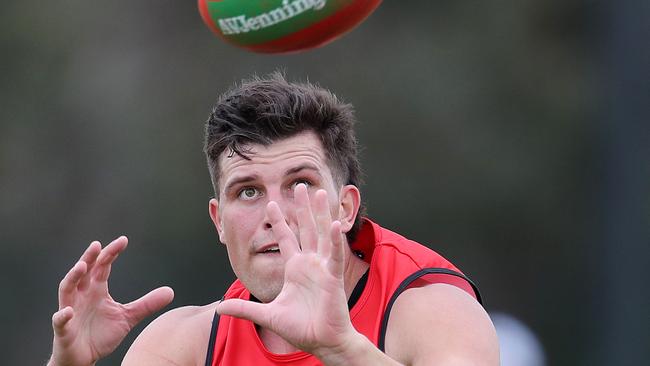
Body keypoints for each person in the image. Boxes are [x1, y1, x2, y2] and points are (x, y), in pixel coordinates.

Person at [48, 72, 499, 366]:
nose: (274, 214)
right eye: (247, 191)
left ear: (345, 208)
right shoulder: (183, 348)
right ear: (218, 221)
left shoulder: (430, 311)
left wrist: (340, 349)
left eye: (299, 183)